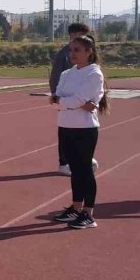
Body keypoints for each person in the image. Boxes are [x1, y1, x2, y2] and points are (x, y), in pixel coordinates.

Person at [51, 35, 108, 229]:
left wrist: (68, 102)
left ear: (88, 52)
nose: (72, 53)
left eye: (77, 50)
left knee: (84, 169)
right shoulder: (66, 73)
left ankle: (88, 213)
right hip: (65, 125)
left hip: (85, 129)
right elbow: (56, 99)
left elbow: (74, 100)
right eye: (70, 50)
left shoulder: (94, 73)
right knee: (75, 170)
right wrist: (74, 103)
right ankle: (75, 208)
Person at [50, 22, 93, 176]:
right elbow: (55, 75)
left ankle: (83, 158)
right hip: (67, 98)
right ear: (71, 36)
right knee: (66, 131)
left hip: (84, 97)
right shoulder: (63, 54)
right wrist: (56, 97)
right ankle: (63, 162)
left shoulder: (89, 53)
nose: (78, 38)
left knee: (83, 129)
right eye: (76, 35)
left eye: (82, 36)